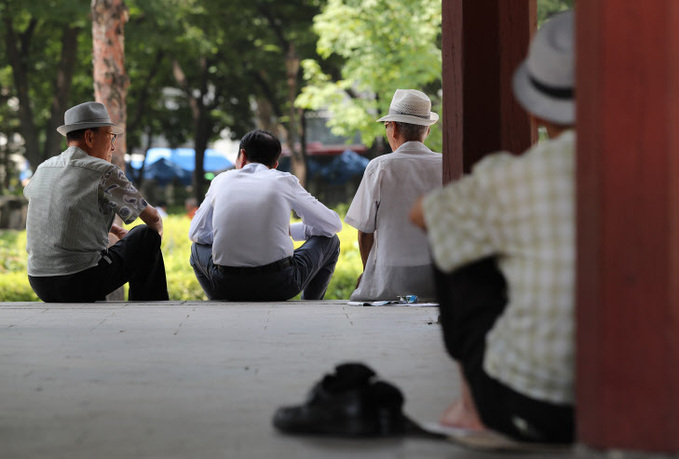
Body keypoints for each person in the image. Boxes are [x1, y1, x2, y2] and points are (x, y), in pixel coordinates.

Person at [410, 11, 576, 443]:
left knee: (453, 227)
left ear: (537, 111)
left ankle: (470, 407)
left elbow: (422, 214)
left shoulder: (512, 178)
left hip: (533, 405)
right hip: (652, 398)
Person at [24, 101, 169, 302]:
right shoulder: (103, 171)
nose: (113, 145)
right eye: (110, 136)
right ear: (90, 137)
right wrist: (152, 244)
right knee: (145, 236)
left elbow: (53, 212)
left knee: (98, 259)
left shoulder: (43, 168)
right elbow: (153, 218)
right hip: (78, 281)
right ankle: (149, 308)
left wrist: (100, 231)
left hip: (40, 282)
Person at [188, 129, 342, 301]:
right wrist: (292, 231)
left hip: (227, 286)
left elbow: (196, 233)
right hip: (280, 286)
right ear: (275, 164)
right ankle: (311, 304)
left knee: (196, 248)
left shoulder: (221, 180)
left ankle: (218, 300)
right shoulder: (284, 181)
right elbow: (332, 225)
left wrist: (234, 235)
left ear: (242, 155)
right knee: (331, 240)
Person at [344, 89, 442, 301]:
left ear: (394, 128)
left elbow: (364, 232)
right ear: (427, 131)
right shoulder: (446, 164)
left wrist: (367, 275)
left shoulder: (380, 167)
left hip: (390, 279)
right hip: (437, 279)